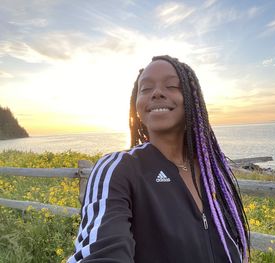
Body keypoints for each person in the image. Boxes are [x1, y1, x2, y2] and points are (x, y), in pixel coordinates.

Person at [68, 55, 250, 263]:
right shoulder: (119, 169)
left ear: (192, 99)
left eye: (171, 85)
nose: (156, 93)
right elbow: (102, 253)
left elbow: (237, 247)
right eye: (145, 89)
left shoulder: (214, 174)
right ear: (136, 106)